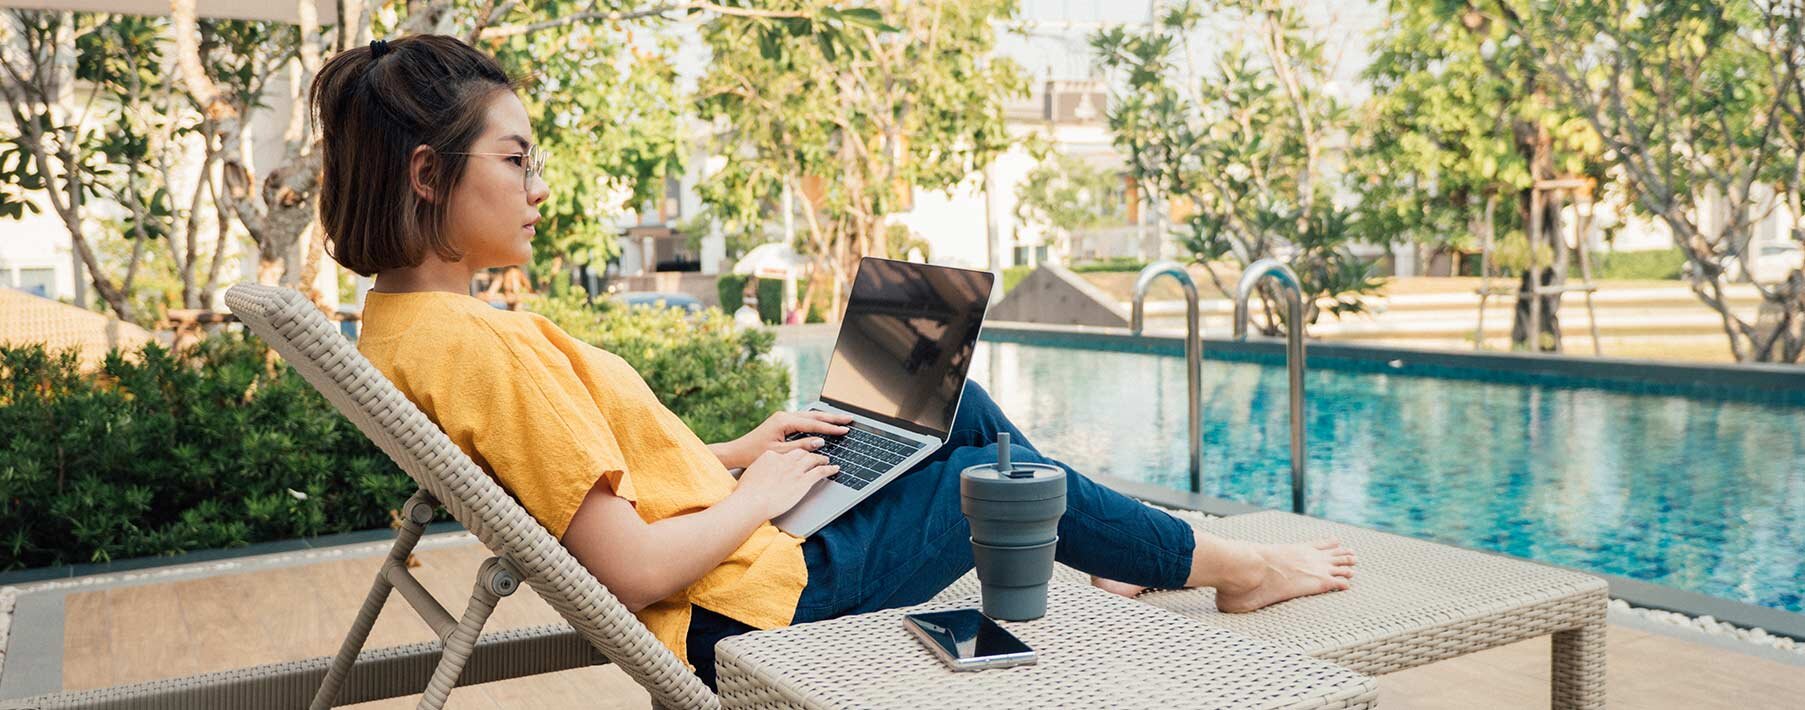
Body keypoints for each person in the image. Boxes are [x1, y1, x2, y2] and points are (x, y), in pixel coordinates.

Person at [310, 35, 1355, 691]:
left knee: (955, 403)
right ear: (426, 172)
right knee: (985, 477)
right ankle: (1231, 567)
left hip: (739, 548)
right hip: (748, 601)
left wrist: (744, 450)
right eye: (515, 158)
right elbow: (624, 566)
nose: (536, 186)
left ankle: (1113, 548)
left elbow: (590, 480)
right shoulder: (475, 344)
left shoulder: (411, 324)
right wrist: (761, 488)